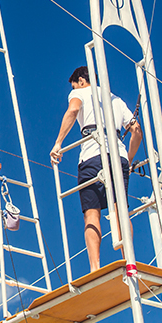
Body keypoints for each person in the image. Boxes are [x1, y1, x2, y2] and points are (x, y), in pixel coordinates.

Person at [50, 66, 142, 272]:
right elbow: (136, 131)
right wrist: (127, 158)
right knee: (120, 211)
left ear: (81, 80)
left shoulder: (79, 92)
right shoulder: (117, 100)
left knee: (92, 214)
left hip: (92, 155)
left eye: (74, 84)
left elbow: (73, 110)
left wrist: (58, 144)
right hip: (118, 156)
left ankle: (95, 268)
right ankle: (130, 262)